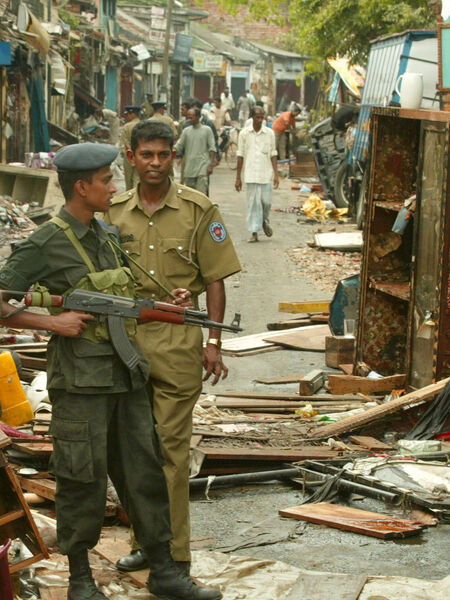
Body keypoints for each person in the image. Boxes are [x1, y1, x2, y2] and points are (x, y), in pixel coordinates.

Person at [0, 143, 222, 600]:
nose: (115, 187)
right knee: (81, 477)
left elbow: (127, 302)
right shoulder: (46, 241)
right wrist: (53, 322)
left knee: (145, 472)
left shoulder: (106, 235)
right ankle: (80, 580)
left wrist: (169, 304)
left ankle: (164, 570)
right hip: (81, 384)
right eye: (107, 181)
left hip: (125, 376)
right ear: (81, 187)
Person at [108, 120, 241, 579]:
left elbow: (216, 278)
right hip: (124, 344)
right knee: (133, 453)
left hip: (178, 345)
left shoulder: (198, 209)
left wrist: (215, 341)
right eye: (147, 155)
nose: (156, 163)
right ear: (131, 157)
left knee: (171, 453)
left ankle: (175, 556)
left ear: (174, 157)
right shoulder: (113, 212)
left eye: (164, 155)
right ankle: (145, 545)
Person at [235, 106, 278, 242]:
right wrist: (238, 178)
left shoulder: (269, 133)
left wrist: (276, 174)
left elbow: (273, 153)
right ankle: (254, 232)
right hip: (251, 173)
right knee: (253, 204)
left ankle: (264, 220)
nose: (260, 120)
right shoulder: (244, 134)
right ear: (252, 117)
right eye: (258, 117)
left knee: (266, 202)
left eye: (262, 117)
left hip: (266, 174)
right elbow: (240, 155)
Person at [174, 108, 217, 195]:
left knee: (201, 195)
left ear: (198, 117)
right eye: (188, 117)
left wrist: (211, 165)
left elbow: (212, 148)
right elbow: (178, 146)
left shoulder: (207, 130)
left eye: (191, 117)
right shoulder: (186, 131)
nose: (189, 119)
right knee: (190, 196)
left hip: (202, 168)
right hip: (189, 169)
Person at [120, 105, 142, 189]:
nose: (127, 117)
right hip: (141, 154)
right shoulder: (143, 125)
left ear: (133, 114)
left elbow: (124, 143)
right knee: (138, 177)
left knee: (128, 179)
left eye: (128, 114)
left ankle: (130, 197)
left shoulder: (127, 126)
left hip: (129, 155)